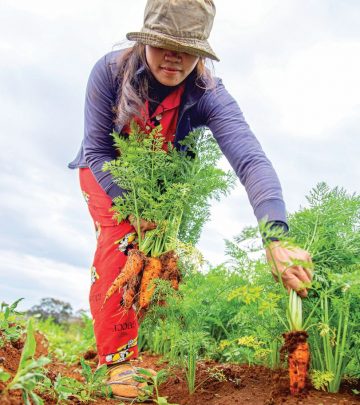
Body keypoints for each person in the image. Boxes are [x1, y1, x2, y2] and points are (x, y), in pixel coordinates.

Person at [69, 0, 313, 400]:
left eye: (188, 48)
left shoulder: (207, 92)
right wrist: (133, 208)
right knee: (123, 243)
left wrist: (276, 236)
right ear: (146, 38)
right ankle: (114, 361)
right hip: (106, 173)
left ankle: (120, 341)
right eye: (164, 43)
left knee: (153, 266)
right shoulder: (109, 72)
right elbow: (98, 151)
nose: (175, 56)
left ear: (201, 51)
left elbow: (250, 159)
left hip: (162, 182)